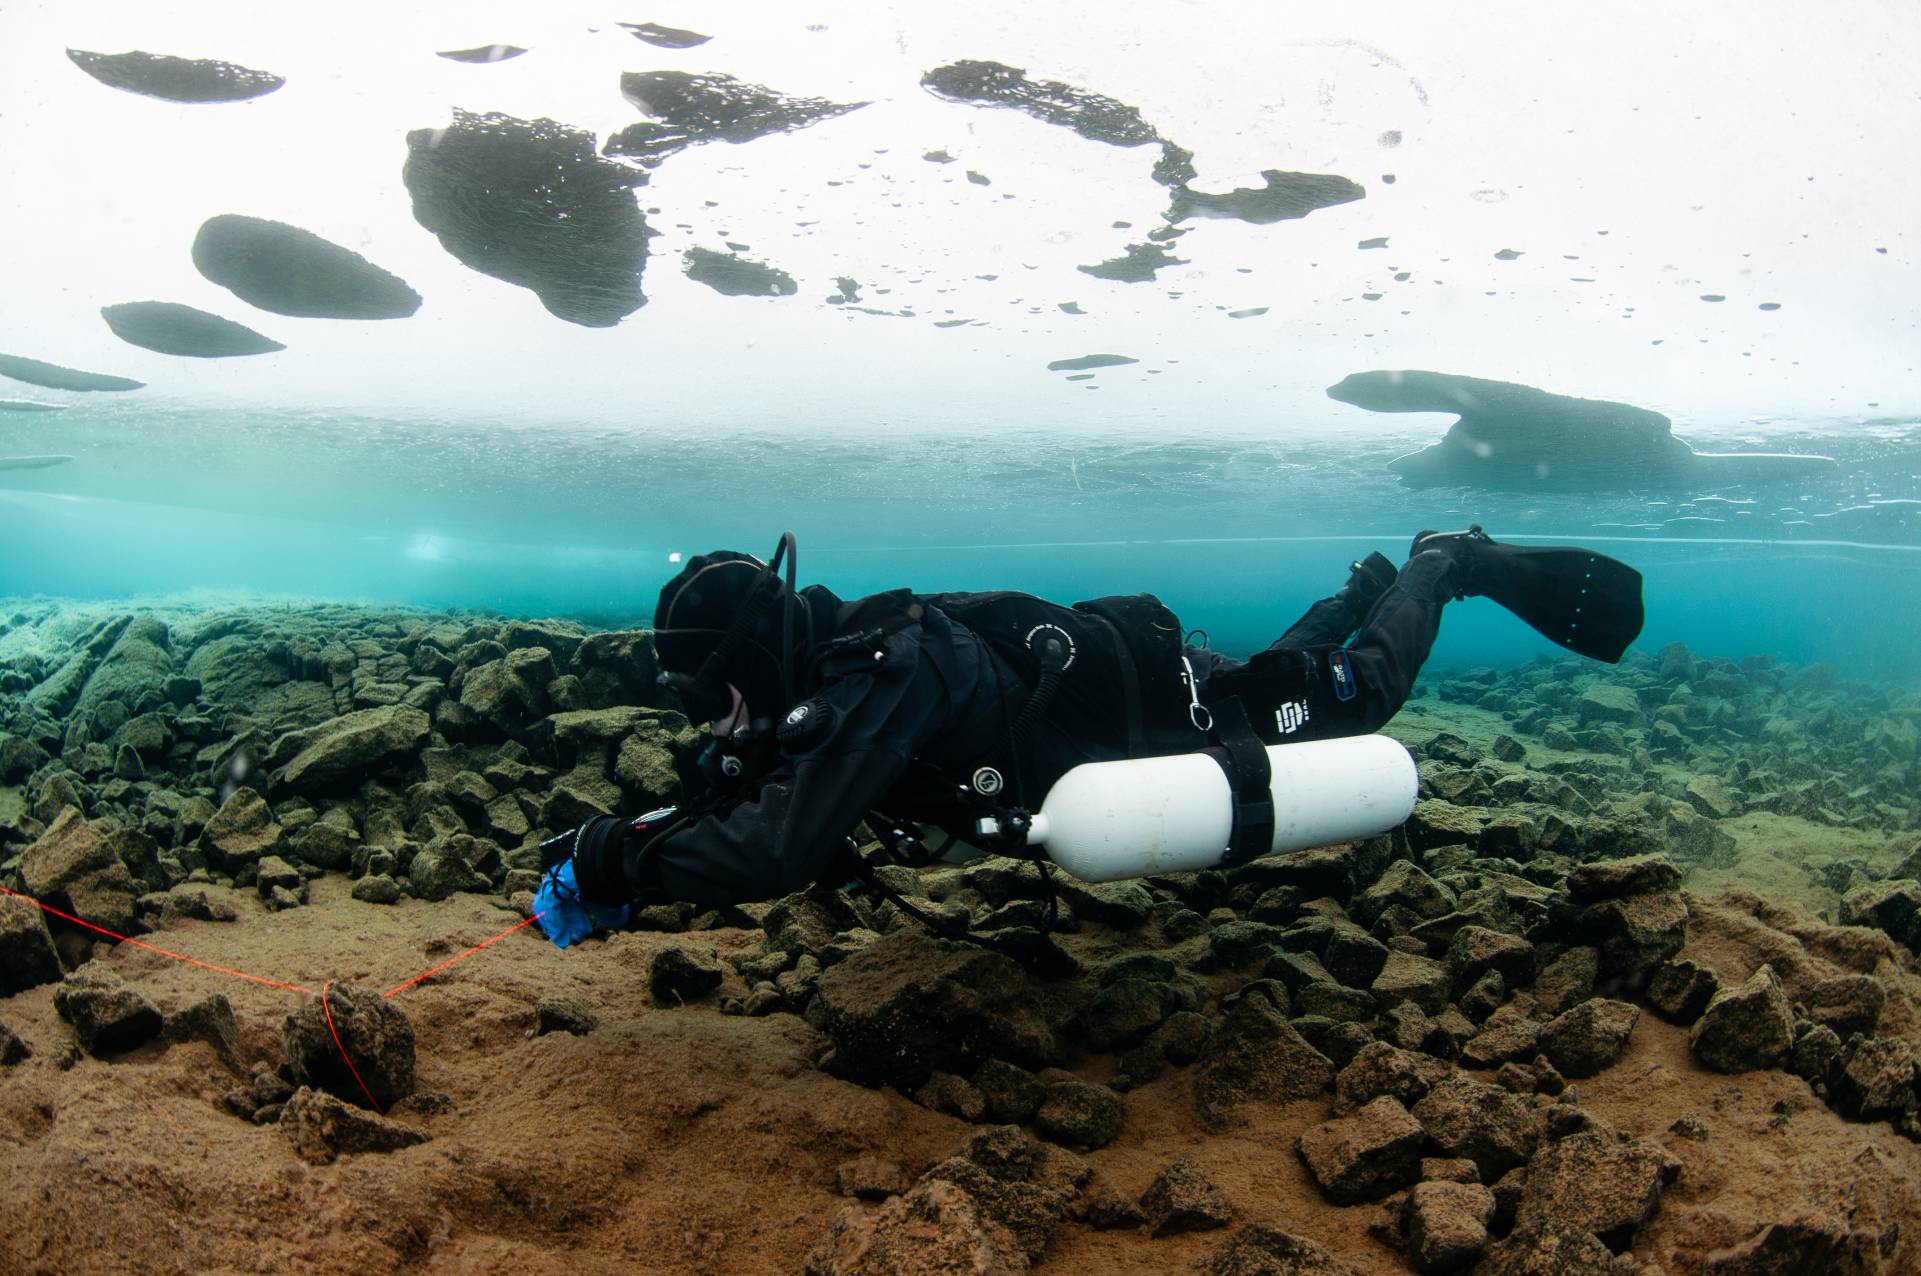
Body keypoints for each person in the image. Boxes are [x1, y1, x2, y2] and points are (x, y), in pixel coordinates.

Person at [534, 527, 1643, 947]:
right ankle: (1360, 581)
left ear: (749, 663)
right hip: (1159, 703)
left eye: (710, 698)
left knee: (1358, 698)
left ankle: (1441, 563)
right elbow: (754, 785)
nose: (713, 726)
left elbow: (779, 849)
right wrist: (649, 827)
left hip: (1183, 726)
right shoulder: (826, 670)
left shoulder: (881, 670)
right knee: (1273, 678)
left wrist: (624, 859)